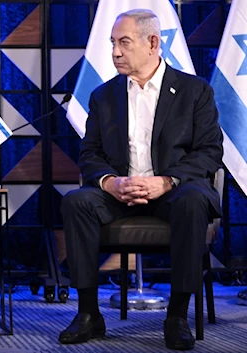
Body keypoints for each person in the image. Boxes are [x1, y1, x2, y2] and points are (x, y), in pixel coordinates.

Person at [59, 9, 223, 351]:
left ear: (152, 43)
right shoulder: (103, 97)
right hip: (120, 193)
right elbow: (90, 154)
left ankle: (177, 316)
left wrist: (167, 181)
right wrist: (110, 183)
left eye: (123, 42)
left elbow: (209, 152)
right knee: (76, 202)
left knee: (194, 200)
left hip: (174, 192)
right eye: (112, 43)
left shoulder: (195, 91)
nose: (115, 52)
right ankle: (89, 314)